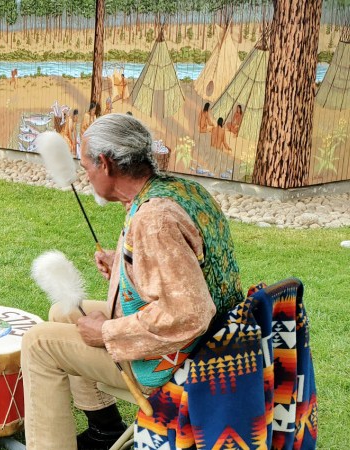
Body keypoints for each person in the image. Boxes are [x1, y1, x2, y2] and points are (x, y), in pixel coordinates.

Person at [21, 113, 243, 450]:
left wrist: (106, 333)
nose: (86, 175)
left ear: (106, 164)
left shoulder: (154, 218)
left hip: (185, 360)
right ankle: (104, 429)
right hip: (219, 339)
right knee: (63, 313)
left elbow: (190, 312)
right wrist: (129, 265)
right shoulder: (182, 189)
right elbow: (189, 268)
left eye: (86, 167)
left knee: (38, 343)